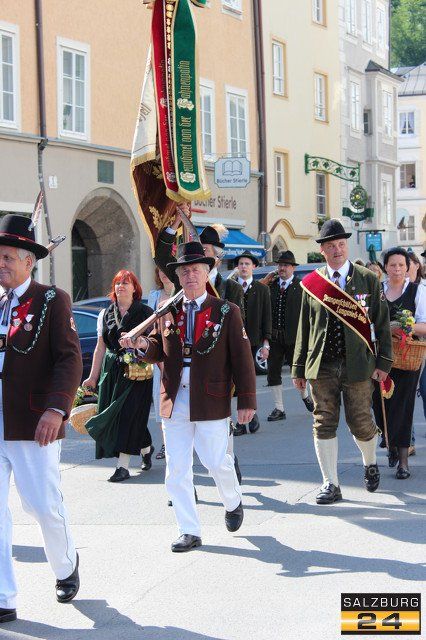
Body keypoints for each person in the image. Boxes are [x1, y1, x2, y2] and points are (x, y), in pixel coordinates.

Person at [121, 241, 256, 552]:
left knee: (215, 461)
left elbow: (242, 359)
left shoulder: (226, 311)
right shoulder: (167, 311)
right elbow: (157, 348)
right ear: (178, 277)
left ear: (207, 273)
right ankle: (189, 530)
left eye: (196, 270)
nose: (190, 276)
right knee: (177, 469)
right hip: (173, 397)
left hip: (210, 397)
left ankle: (232, 500)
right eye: (184, 272)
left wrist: (247, 400)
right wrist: (141, 345)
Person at [0, 215, 82, 623]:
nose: (0, 264)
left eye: (7, 257)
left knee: (42, 506)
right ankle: (3, 596)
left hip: (33, 422)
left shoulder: (51, 299)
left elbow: (69, 359)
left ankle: (66, 566)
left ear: (29, 261)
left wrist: (56, 408)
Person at [292, 219, 393, 504]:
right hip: (322, 364)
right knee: (323, 422)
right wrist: (298, 368)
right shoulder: (311, 284)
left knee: (360, 421)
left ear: (346, 246)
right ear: (322, 250)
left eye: (341, 244)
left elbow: (382, 324)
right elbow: (304, 328)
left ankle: (370, 462)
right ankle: (330, 483)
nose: (337, 250)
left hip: (358, 364)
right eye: (331, 246)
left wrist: (383, 363)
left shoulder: (367, 279)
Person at [83, 270, 154, 482]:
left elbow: (155, 346)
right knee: (121, 415)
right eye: (117, 283)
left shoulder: (146, 313)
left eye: (126, 282)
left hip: (138, 372)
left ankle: (122, 467)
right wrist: (92, 377)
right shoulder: (105, 314)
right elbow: (100, 348)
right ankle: (146, 448)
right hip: (112, 371)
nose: (121, 286)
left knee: (128, 415)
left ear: (135, 288)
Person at [372, 248, 426, 479]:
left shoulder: (417, 291)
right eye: (392, 265)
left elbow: (424, 325)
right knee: (378, 404)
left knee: (403, 407)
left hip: (407, 358)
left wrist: (404, 327)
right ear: (385, 267)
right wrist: (383, 329)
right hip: (378, 358)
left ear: (408, 267)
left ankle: (403, 462)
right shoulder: (376, 291)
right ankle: (390, 442)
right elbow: (366, 322)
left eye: (401, 265)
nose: (397, 269)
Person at [261, 251, 313, 421]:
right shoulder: (271, 286)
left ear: (293, 268)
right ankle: (279, 408)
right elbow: (258, 299)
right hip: (275, 338)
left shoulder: (301, 287)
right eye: (280, 265)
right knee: (273, 373)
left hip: (294, 338)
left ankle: (305, 396)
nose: (282, 268)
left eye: (285, 265)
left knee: (298, 371)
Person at [230, 251, 272, 435]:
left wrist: (266, 344)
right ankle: (240, 420)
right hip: (233, 341)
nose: (244, 267)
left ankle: (250, 415)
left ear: (254, 267)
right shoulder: (230, 287)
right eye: (241, 264)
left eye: (247, 264)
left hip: (253, 342)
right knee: (235, 383)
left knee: (248, 381)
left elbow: (267, 318)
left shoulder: (262, 289)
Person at [147, 267, 175, 460]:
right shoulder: (154, 296)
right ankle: (166, 443)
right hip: (159, 354)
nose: (163, 273)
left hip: (176, 352)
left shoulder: (181, 292)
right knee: (159, 398)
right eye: (159, 270)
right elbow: (150, 325)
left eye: (166, 269)